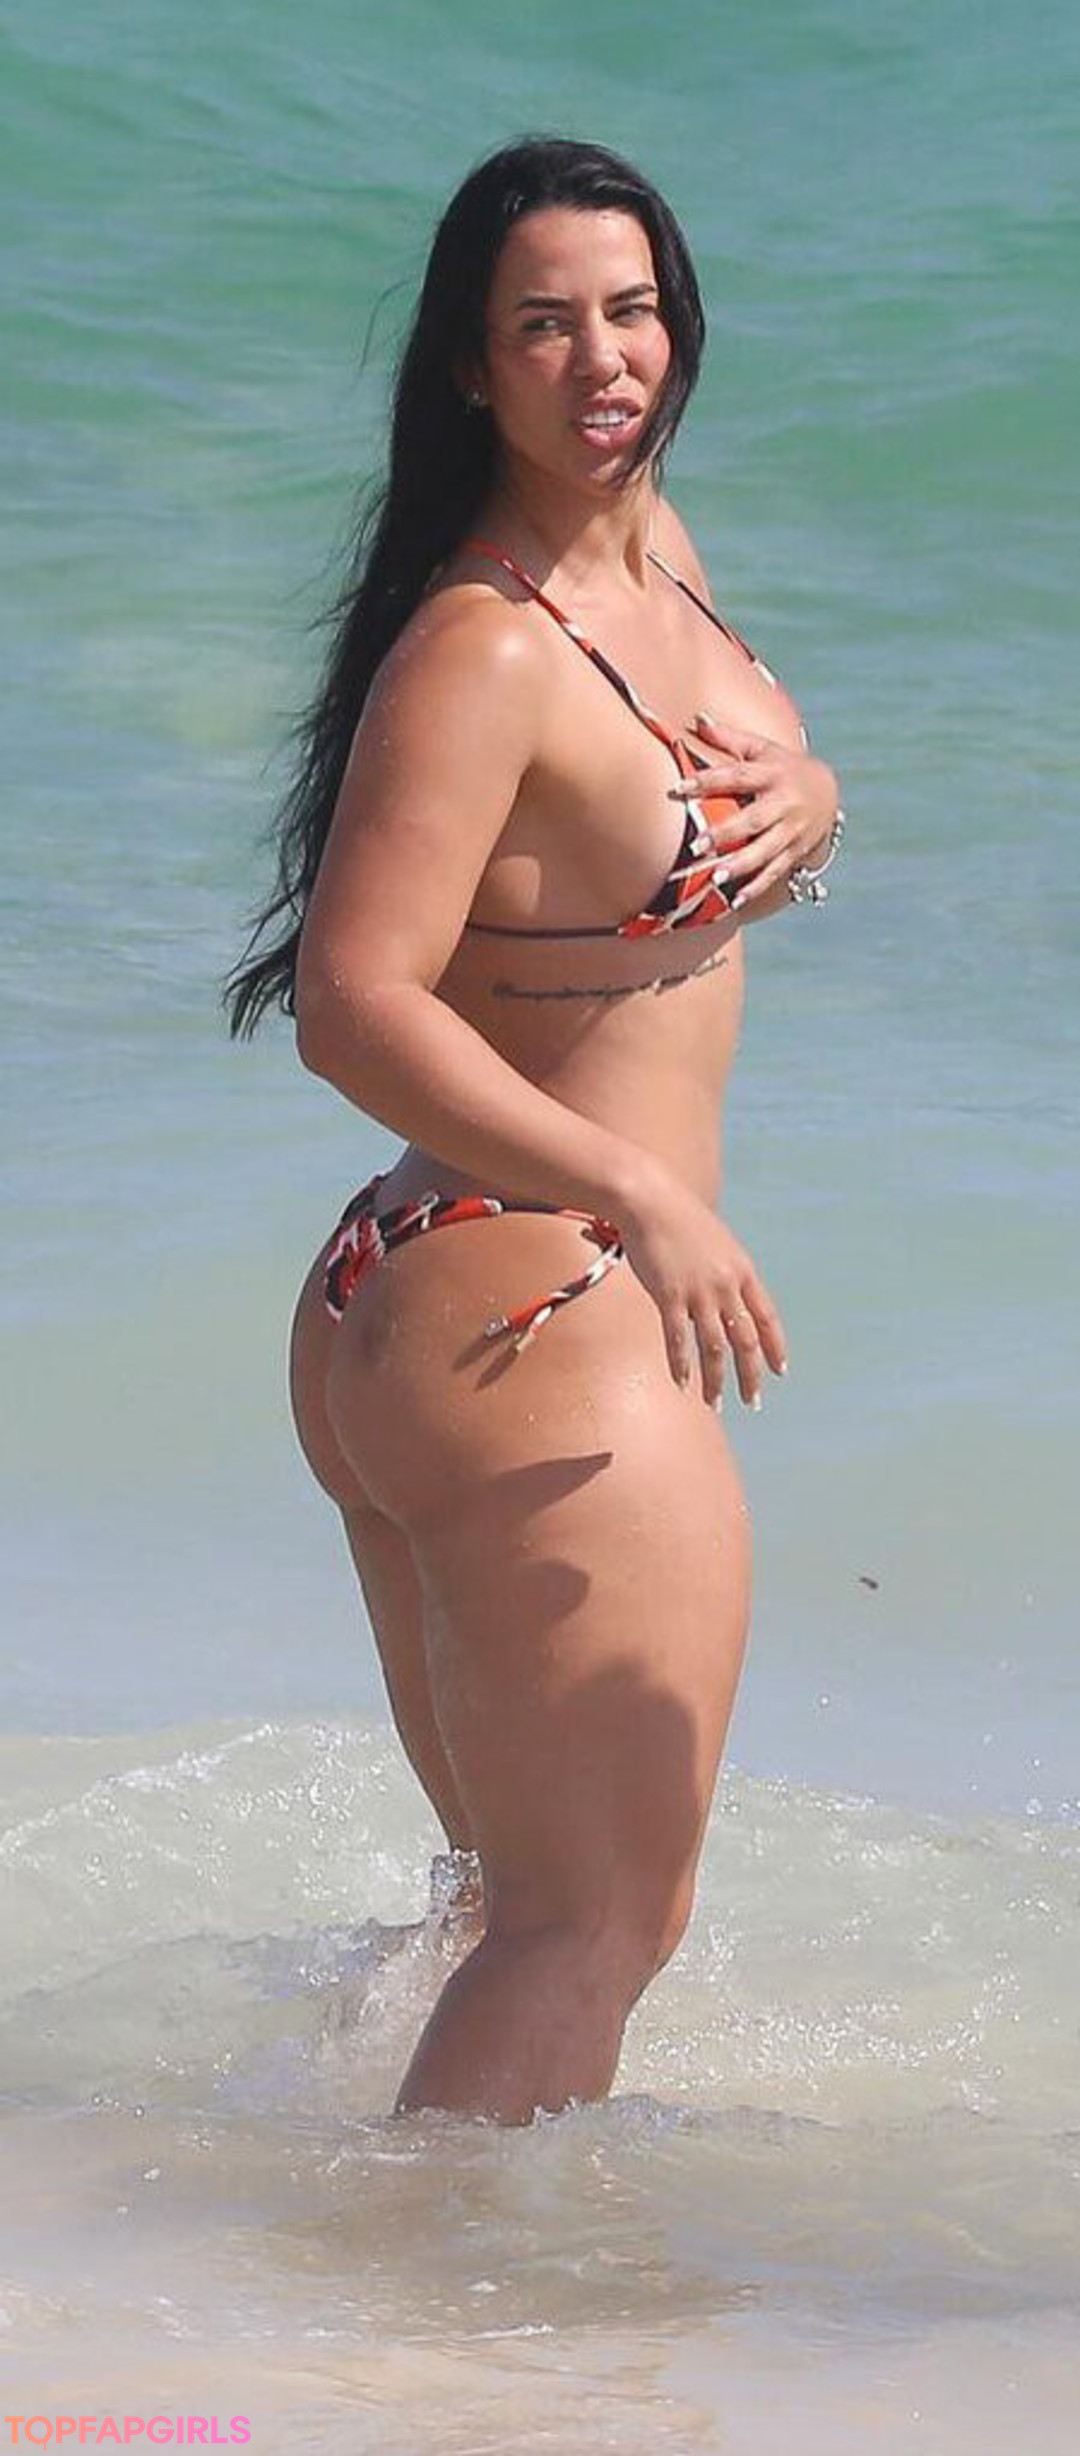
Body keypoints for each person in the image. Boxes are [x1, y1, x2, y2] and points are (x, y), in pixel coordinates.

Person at [224, 135, 845, 2126]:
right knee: (593, 1922)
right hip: (533, 1305)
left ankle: (306, 2236)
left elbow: (660, 827)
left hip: (435, 1295)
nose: (604, 358)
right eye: (545, 324)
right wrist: (641, 1190)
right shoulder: (485, 641)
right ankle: (448, 2297)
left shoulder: (650, 562)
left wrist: (818, 794)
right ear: (469, 367)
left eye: (633, 310)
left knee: (520, 1895)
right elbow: (352, 1001)